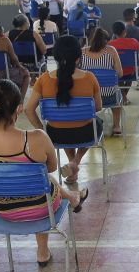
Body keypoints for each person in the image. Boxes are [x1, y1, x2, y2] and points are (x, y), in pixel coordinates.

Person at [0, 80, 88, 267]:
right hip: (40, 208)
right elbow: (52, 167)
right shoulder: (36, 138)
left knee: (36, 178)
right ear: (19, 109)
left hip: (3, 210)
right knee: (41, 179)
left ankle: (72, 198)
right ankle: (43, 250)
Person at [24, 35, 102, 185]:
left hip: (56, 135)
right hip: (86, 133)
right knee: (95, 122)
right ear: (78, 57)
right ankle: (75, 162)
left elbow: (28, 109)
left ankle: (72, 167)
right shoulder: (90, 78)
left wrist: (43, 131)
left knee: (63, 124)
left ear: (56, 57)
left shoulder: (44, 79)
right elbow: (98, 107)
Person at [80, 27, 123, 135]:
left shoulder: (82, 52)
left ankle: (89, 124)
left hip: (89, 97)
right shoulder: (111, 51)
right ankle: (117, 126)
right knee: (117, 97)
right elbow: (120, 73)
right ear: (106, 41)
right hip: (109, 96)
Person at [109, 21, 139, 106]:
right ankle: (124, 98)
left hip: (116, 73)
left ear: (114, 33)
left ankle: (123, 97)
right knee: (130, 75)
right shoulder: (134, 42)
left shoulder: (110, 45)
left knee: (118, 75)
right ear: (125, 31)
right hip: (131, 72)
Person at [8, 14, 47, 79]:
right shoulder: (34, 34)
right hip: (33, 63)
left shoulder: (8, 34)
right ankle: (35, 79)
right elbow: (44, 51)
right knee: (42, 58)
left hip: (17, 63)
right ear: (25, 23)